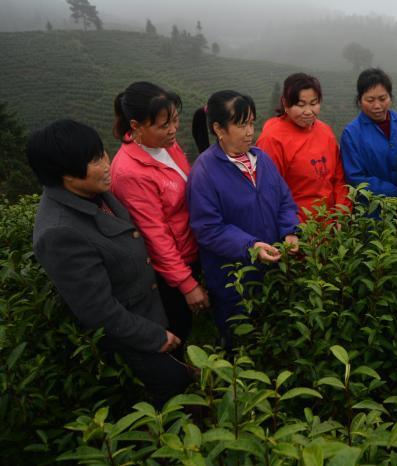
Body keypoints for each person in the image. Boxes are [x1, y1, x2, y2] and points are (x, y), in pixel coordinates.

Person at [29, 120, 191, 408]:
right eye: (94, 160)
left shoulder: (92, 192)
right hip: (134, 334)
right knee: (172, 390)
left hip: (154, 308)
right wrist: (153, 337)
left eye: (102, 152)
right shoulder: (59, 232)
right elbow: (97, 309)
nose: (106, 163)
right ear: (65, 174)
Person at [188, 91, 299, 349]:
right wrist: (251, 246)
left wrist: (290, 231)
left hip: (271, 269)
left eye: (251, 122)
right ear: (219, 129)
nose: (250, 131)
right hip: (233, 279)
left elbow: (284, 199)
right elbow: (209, 229)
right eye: (241, 124)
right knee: (239, 341)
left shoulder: (262, 159)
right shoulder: (204, 172)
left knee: (272, 335)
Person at [111, 82, 209, 352]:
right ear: (136, 125)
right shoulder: (130, 173)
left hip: (192, 248)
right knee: (179, 329)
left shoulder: (167, 145)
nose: (173, 130)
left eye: (174, 121)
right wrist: (187, 284)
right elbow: (155, 236)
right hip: (171, 268)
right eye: (164, 125)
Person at [257, 73, 351, 222]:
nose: (308, 111)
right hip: (298, 230)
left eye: (314, 103)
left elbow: (339, 179)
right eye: (300, 105)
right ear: (285, 103)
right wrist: (289, 229)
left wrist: (341, 213)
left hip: (331, 227)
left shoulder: (325, 131)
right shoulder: (272, 139)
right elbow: (270, 193)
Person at [340, 68, 397, 197]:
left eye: (382, 99)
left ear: (390, 97)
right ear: (360, 101)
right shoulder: (351, 134)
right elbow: (355, 177)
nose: (377, 106)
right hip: (372, 208)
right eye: (370, 100)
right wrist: (396, 192)